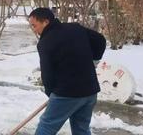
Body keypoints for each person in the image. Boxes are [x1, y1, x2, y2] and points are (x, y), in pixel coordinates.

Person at [28, 7, 106, 135]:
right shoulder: (75, 28)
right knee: (81, 129)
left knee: (46, 127)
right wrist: (94, 58)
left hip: (67, 94)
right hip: (90, 92)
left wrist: (52, 94)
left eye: (34, 26)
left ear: (45, 22)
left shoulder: (45, 42)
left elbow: (47, 75)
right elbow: (100, 40)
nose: (34, 30)